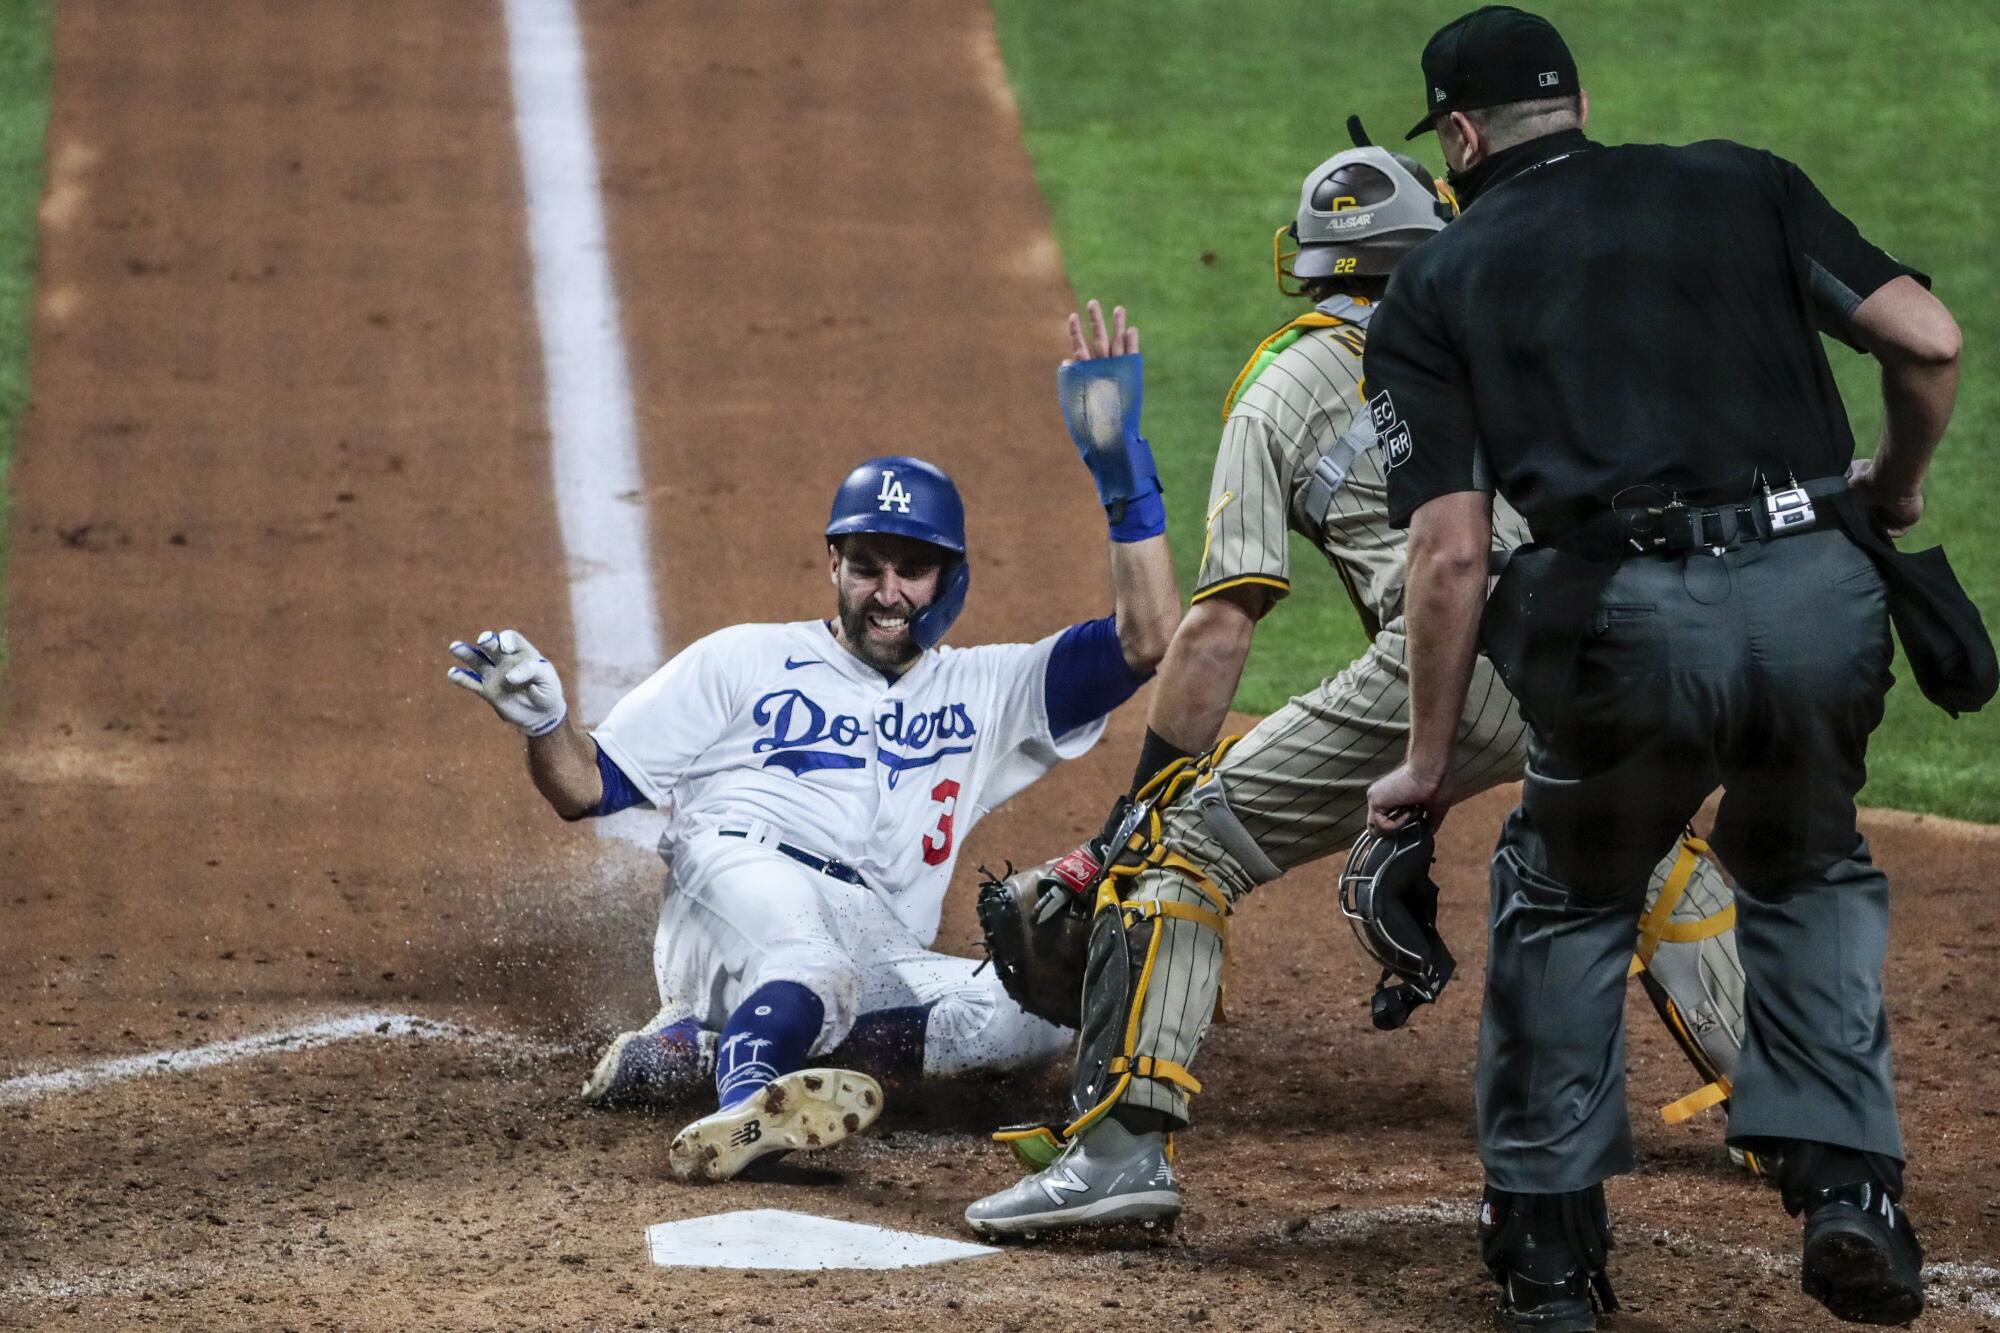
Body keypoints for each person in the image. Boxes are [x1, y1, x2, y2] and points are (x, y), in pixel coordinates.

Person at [962, 133, 1753, 1240]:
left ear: (1311, 261)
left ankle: (1115, 1152)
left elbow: (1219, 625)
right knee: (1631, 828)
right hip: (1624, 639)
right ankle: (1791, 1100)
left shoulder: (1281, 383)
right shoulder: (1517, 327)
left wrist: (1131, 806)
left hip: (1456, 653)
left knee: (1178, 843)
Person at [1362, 7, 1963, 1328]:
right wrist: (1894, 492)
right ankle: (1854, 1194)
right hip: (1823, 595)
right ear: (1574, 102)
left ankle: (1552, 1263)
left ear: (1459, 137)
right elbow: (1928, 340)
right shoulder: (1743, 179)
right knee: (1807, 864)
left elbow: (1452, 556)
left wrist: (1422, 762)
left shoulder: (1436, 283)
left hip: (1628, 622)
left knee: (1565, 889)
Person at [446, 302, 1180, 1182]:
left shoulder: (988, 688)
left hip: (882, 940)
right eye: (865, 564)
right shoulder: (747, 657)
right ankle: (742, 1104)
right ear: (831, 562)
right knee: (812, 959)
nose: (886, 591)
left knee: (1037, 1011)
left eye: (911, 569)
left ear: (948, 577)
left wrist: (1121, 475)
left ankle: (695, 1047)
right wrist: (544, 724)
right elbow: (581, 786)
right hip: (742, 882)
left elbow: (1147, 638)